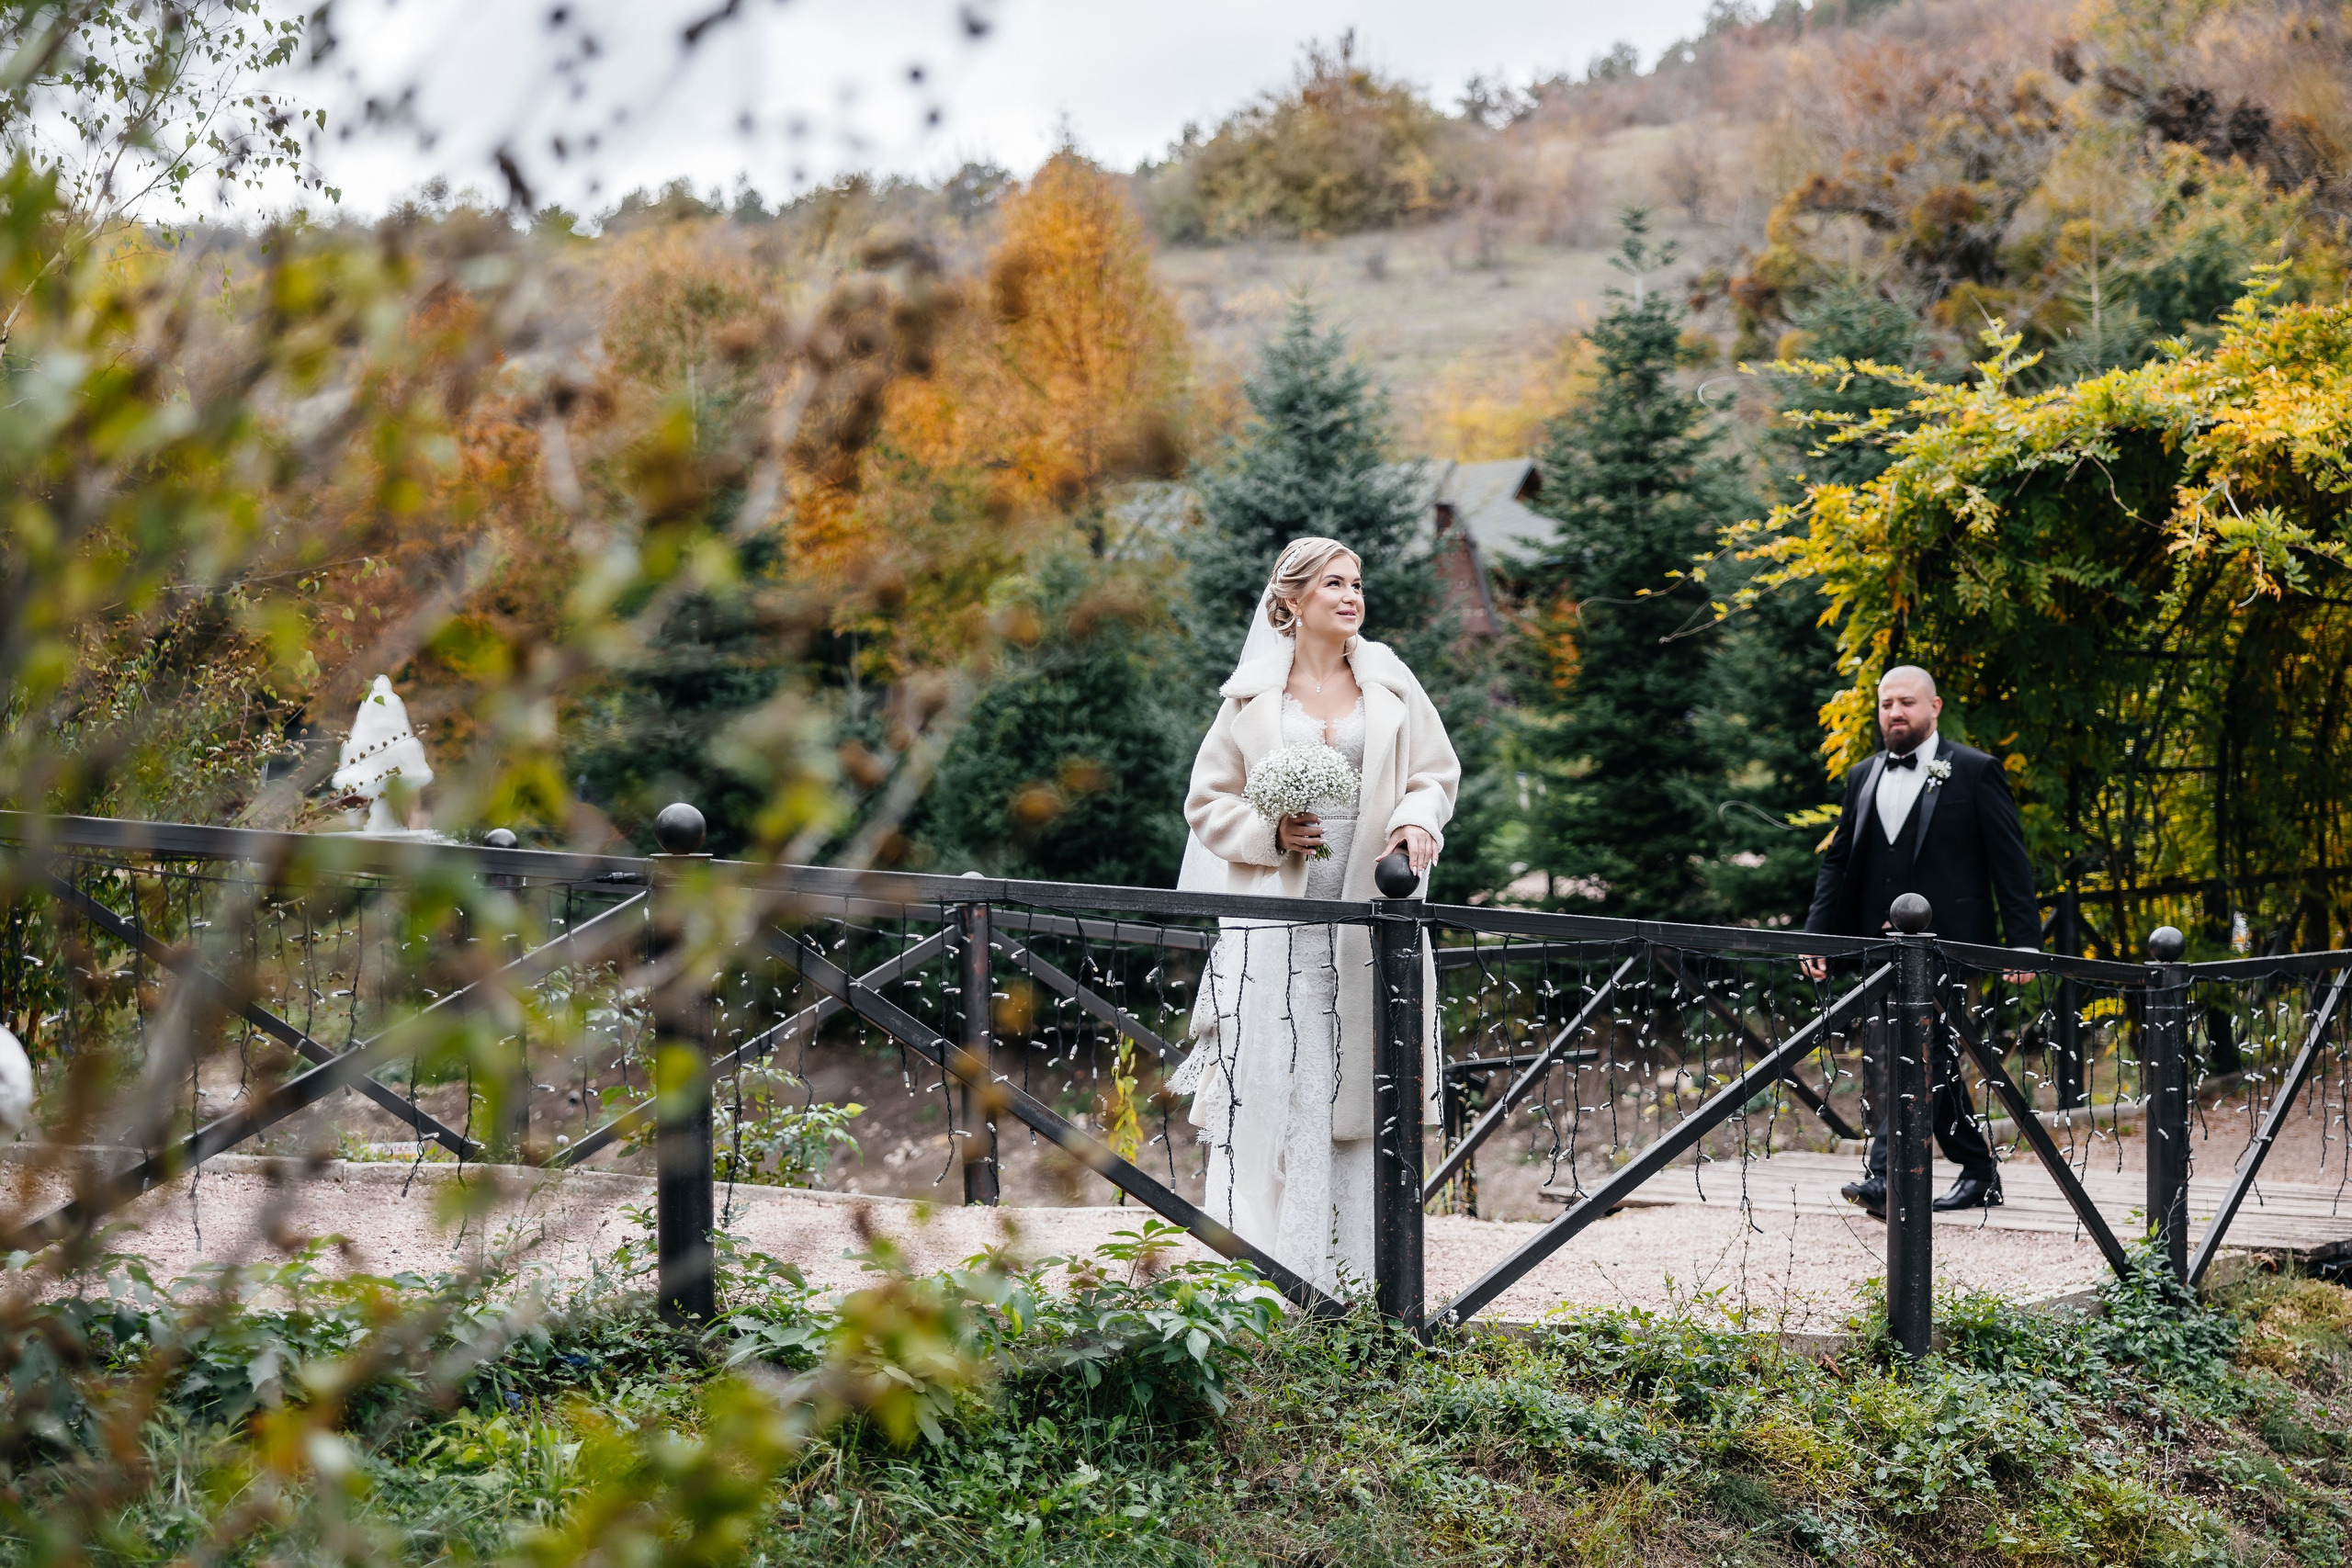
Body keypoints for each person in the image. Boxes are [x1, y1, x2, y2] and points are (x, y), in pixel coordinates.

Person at [1168, 536, 1461, 1292]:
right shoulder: (1251, 697)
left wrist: (1418, 818)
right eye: (1334, 582)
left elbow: (1435, 771)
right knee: (1283, 1088)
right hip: (1280, 927)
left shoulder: (1392, 681)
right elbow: (1207, 803)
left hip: (1371, 926)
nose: (1351, 595)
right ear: (1292, 600)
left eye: (1357, 583)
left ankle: (1359, 1277)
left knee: (1362, 1086)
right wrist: (1272, 834)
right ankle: (1272, 1272)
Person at [1801, 665, 2039, 1216]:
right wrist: (1816, 936)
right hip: (1877, 948)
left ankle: (1885, 1176)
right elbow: (1838, 865)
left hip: (1949, 945)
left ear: (1934, 707)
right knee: (1936, 1060)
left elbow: (2011, 862)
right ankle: (1979, 1170)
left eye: (1906, 702)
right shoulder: (1862, 775)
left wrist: (2023, 943)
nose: (1895, 713)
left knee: (1908, 1056)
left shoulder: (1975, 771)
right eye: (1886, 704)